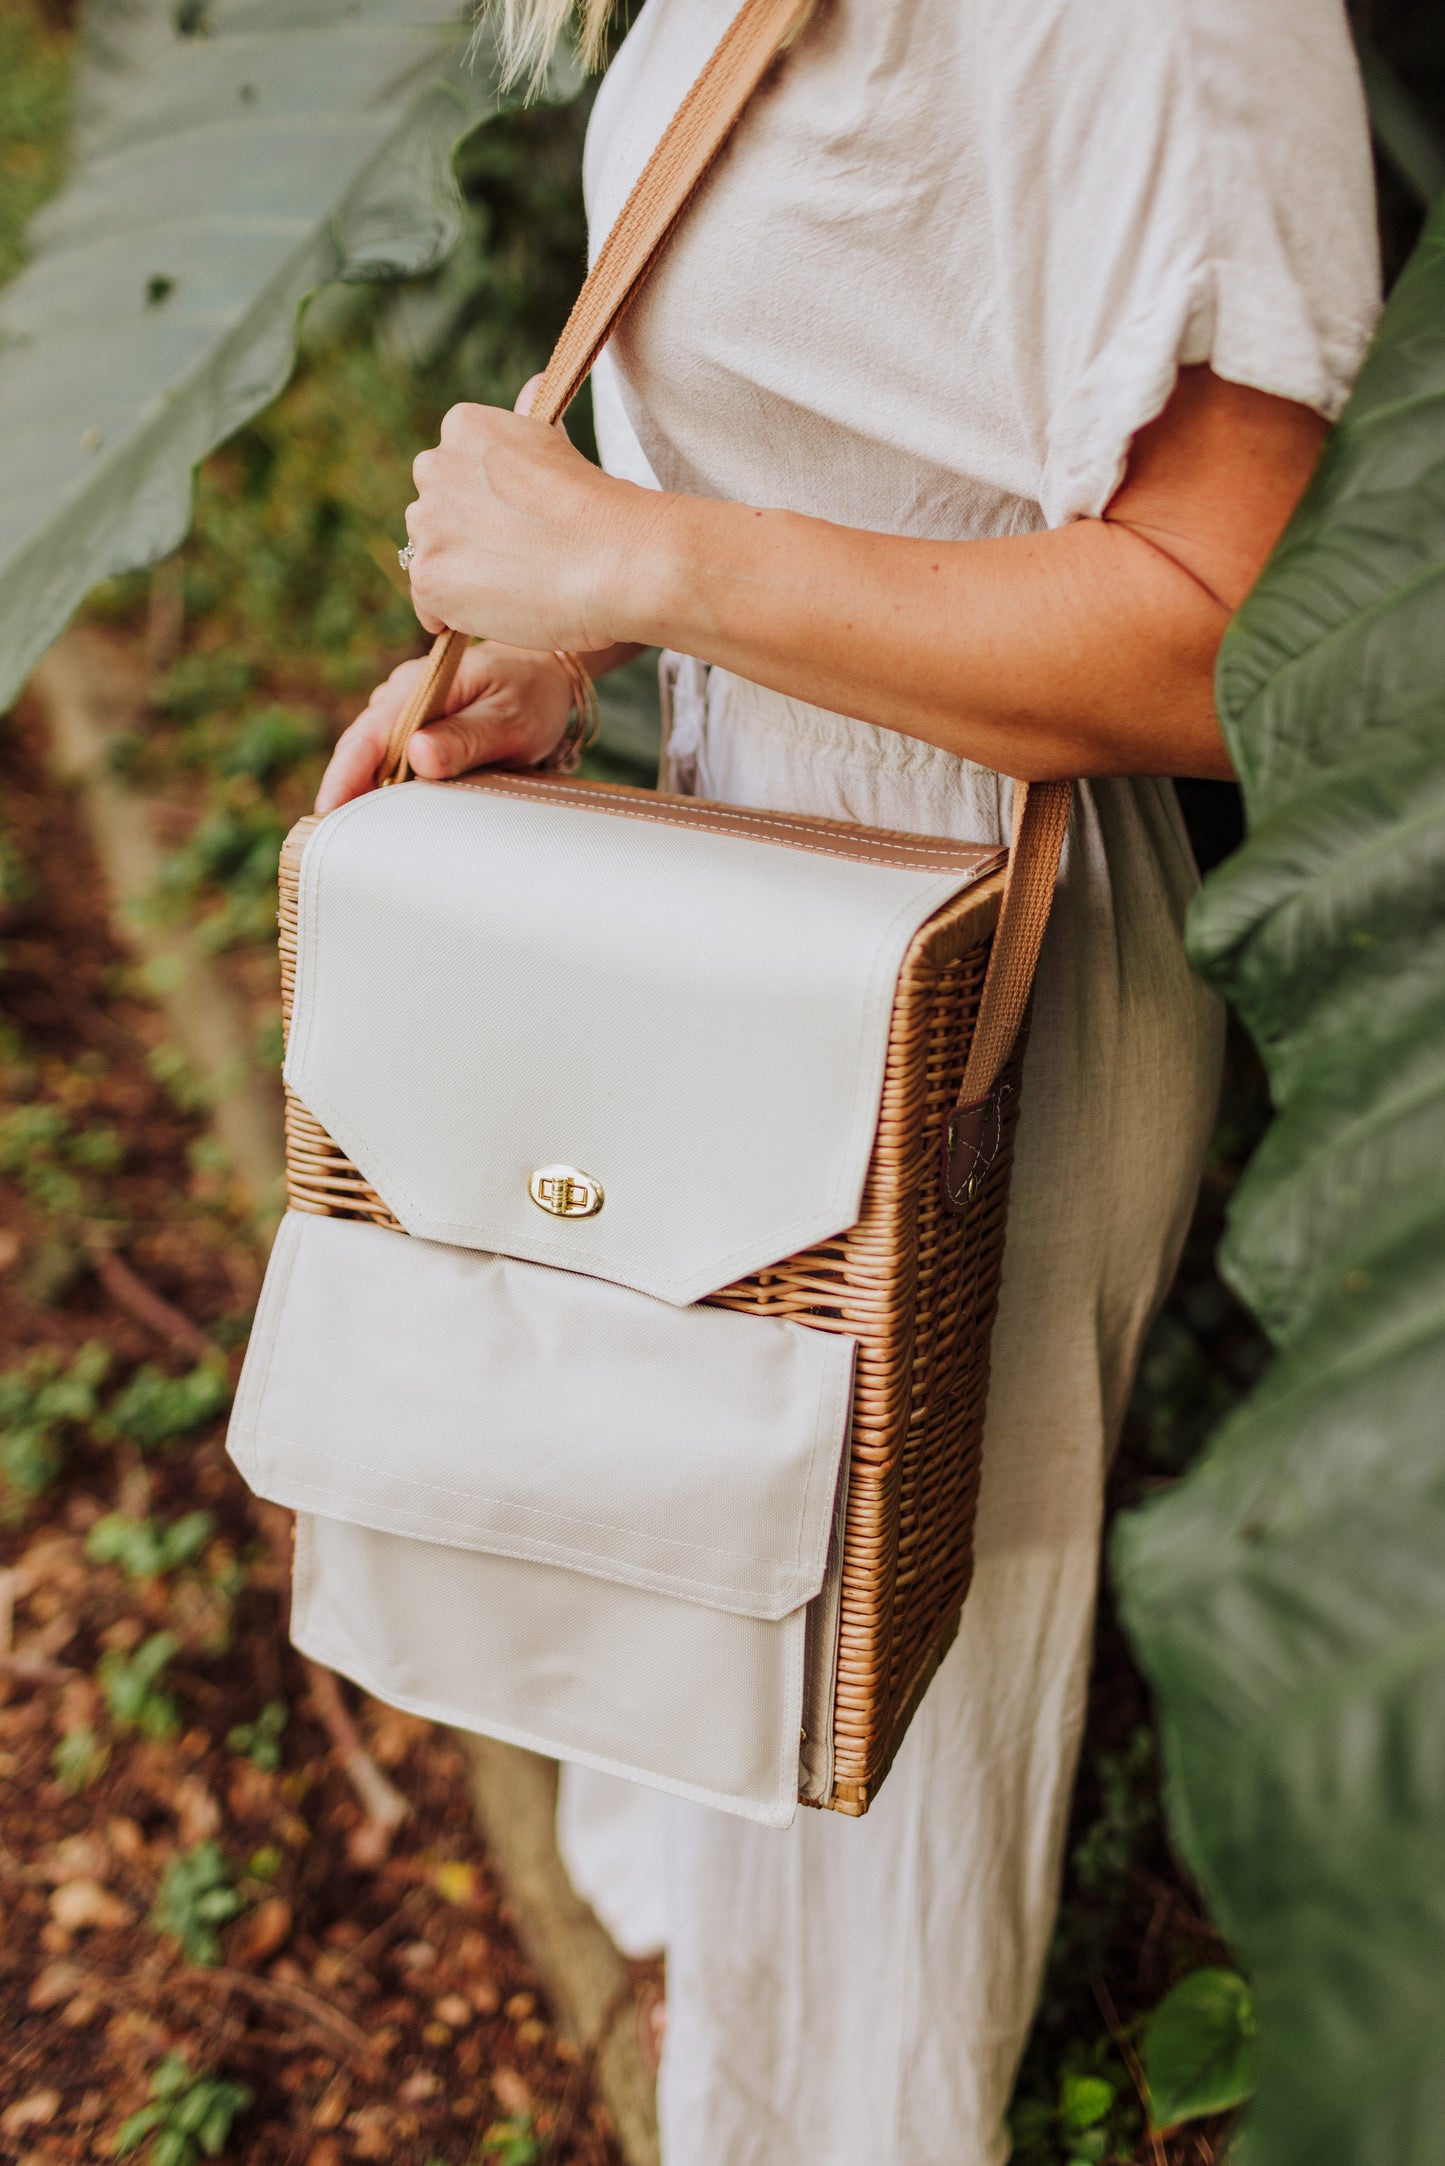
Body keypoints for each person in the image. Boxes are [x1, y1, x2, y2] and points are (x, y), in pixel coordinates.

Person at [316, 0, 1381, 2157]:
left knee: (884, 1771)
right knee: (719, 1584)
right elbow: (875, 414)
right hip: (737, 868)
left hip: (967, 967)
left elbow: (1227, 628)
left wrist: (646, 564)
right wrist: (590, 635)